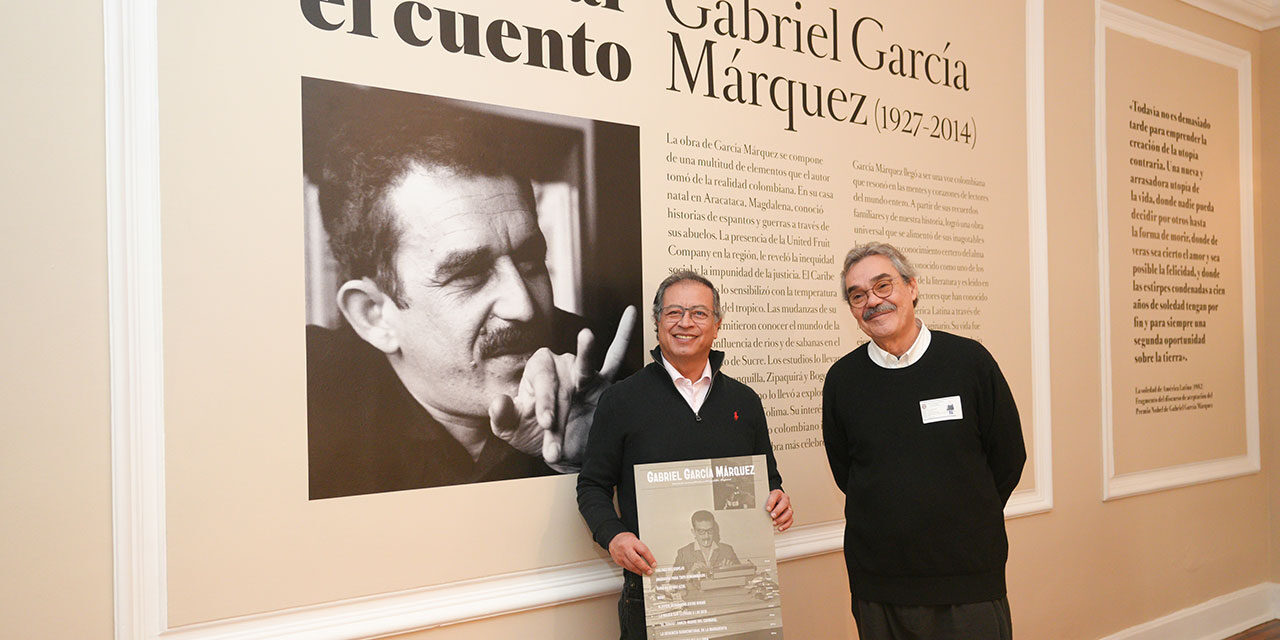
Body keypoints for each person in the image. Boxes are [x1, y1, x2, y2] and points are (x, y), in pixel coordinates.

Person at [304, 80, 637, 499]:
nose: (524, 307)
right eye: (469, 274)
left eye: (530, 260)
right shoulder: (296, 408)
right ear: (374, 315)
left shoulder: (618, 382)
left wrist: (593, 462)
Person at [822, 242, 1026, 639]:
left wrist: (962, 514)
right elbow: (848, 473)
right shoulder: (842, 381)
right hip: (879, 583)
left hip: (967, 578)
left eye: (884, 286)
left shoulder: (969, 362)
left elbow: (1008, 457)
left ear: (912, 287)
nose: (872, 302)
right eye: (858, 295)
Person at [577, 270, 793, 639]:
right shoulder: (620, 400)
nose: (685, 323)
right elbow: (592, 486)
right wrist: (613, 536)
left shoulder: (745, 402)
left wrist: (777, 499)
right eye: (673, 312)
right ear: (658, 323)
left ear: (717, 324)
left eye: (698, 313)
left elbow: (767, 480)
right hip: (655, 592)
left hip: (734, 603)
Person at [672, 510, 741, 575]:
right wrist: (690, 574)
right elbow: (674, 583)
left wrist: (732, 571)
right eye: (701, 531)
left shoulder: (727, 550)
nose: (706, 536)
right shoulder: (683, 553)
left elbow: (742, 577)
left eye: (710, 530)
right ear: (694, 532)